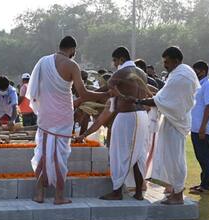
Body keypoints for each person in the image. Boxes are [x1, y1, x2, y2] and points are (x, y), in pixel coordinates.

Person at [26, 36, 111, 205]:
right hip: (63, 115)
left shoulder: (43, 61)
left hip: (46, 115)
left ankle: (39, 194)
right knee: (60, 157)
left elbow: (35, 88)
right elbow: (83, 93)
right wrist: (106, 94)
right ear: (73, 49)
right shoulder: (72, 65)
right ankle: (59, 196)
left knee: (43, 153)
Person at [135, 46, 200, 205]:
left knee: (175, 158)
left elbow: (162, 100)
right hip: (174, 120)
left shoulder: (181, 76)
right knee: (171, 157)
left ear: (176, 60)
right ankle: (174, 189)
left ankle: (177, 194)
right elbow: (165, 97)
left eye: (166, 62)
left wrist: (139, 101)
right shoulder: (182, 73)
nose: (165, 65)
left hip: (175, 121)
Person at [95, 47, 149, 201]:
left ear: (120, 59)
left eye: (114, 61)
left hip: (127, 117)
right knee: (138, 154)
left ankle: (117, 191)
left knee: (118, 154)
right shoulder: (142, 73)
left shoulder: (120, 73)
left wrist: (84, 95)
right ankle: (138, 192)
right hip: (142, 115)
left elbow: (106, 89)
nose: (114, 64)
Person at [189, 61, 209, 194]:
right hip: (195, 127)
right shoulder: (199, 85)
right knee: (200, 157)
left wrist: (202, 128)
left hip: (202, 128)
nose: (195, 73)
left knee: (205, 157)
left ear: (203, 71)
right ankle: (203, 183)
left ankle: (205, 186)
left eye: (197, 71)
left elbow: (208, 106)